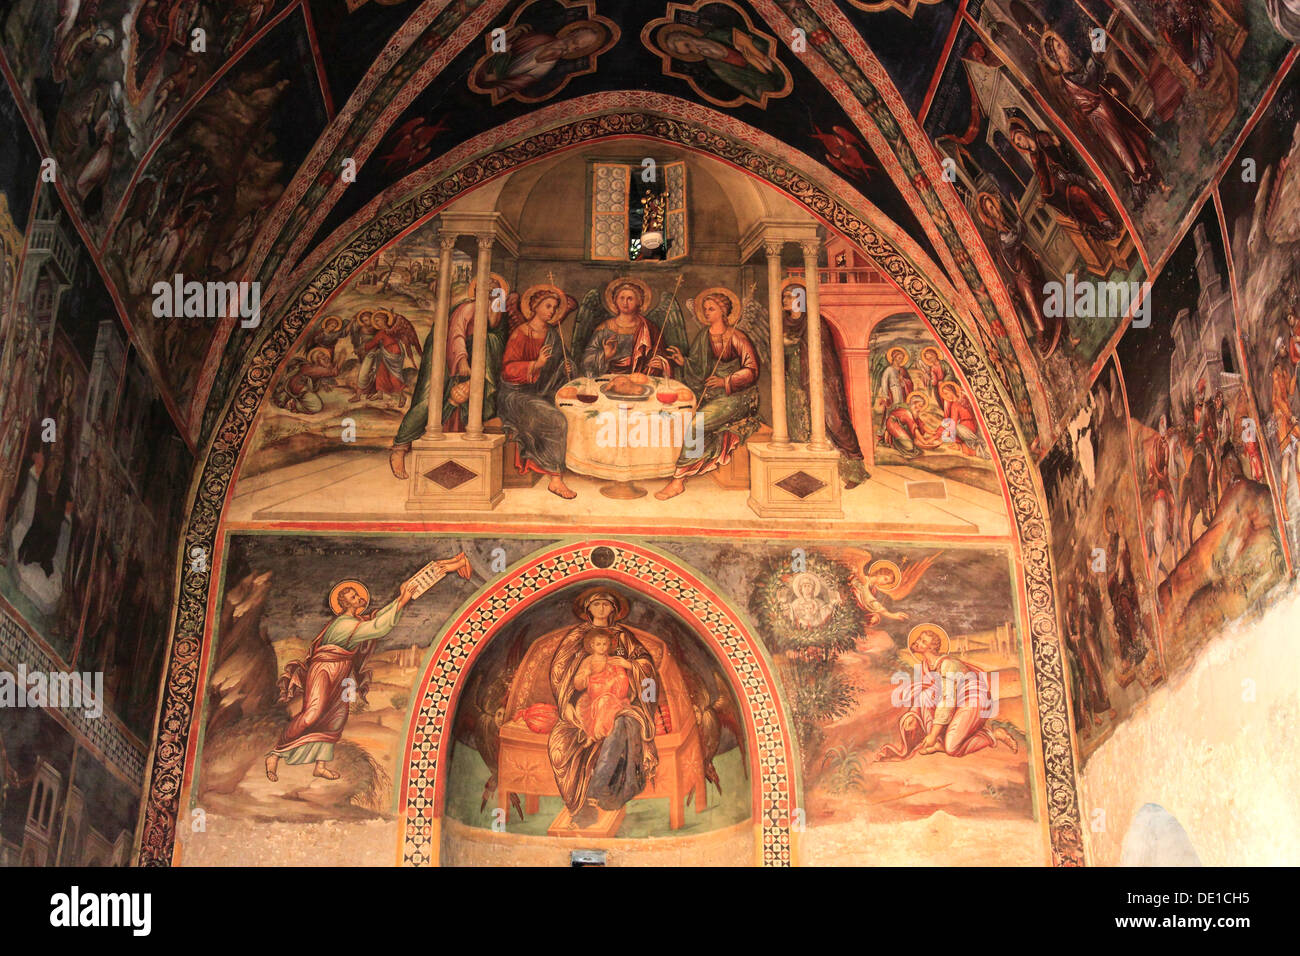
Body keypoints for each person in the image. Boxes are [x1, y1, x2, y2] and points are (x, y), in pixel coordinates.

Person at [264, 561, 466, 782]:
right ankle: (275, 754)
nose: (358, 598)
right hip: (324, 669)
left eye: (356, 596)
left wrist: (401, 599)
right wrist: (402, 600)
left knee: (336, 717)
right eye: (352, 597)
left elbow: (377, 620)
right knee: (312, 712)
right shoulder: (343, 625)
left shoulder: (356, 621)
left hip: (340, 670)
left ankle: (320, 765)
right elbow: (378, 627)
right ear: (343, 603)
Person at [548, 588, 661, 828]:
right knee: (561, 747)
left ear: (613, 609)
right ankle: (582, 801)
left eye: (606, 605)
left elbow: (646, 665)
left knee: (624, 723)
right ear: (587, 609)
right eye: (596, 604)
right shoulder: (577, 637)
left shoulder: (623, 637)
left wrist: (630, 665)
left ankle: (599, 788)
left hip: (623, 702)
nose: (601, 609)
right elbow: (562, 673)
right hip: (583, 704)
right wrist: (565, 703)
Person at [390, 276, 511, 479]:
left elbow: (494, 337)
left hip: (477, 366)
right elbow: (455, 334)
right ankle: (399, 448)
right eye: (488, 290)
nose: (491, 294)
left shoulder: (497, 314)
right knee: (429, 402)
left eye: (495, 291)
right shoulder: (468, 307)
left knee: (462, 403)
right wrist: (462, 360)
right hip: (447, 360)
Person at [655, 287, 760, 499]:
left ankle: (678, 481)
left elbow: (752, 370)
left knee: (696, 424)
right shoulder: (704, 335)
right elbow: (698, 368)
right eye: (704, 309)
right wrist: (683, 362)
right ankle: (686, 467)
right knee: (677, 419)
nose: (706, 313)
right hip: (709, 393)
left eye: (711, 309)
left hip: (737, 396)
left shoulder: (737, 336)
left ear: (723, 311)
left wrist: (725, 381)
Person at [877, 624, 1017, 759]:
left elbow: (947, 700)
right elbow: (926, 694)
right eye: (919, 639)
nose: (918, 642)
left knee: (952, 748)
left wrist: (932, 735)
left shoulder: (948, 664)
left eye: (923, 641)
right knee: (926, 696)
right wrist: (913, 715)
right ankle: (941, 740)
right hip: (957, 703)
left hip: (973, 701)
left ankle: (993, 735)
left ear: (932, 647)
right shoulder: (927, 666)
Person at [781, 281, 868, 487]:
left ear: (800, 299)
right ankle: (809, 473)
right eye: (784, 296)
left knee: (833, 420)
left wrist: (794, 344)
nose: (784, 300)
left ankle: (854, 470)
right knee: (800, 423)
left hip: (820, 377)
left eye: (789, 296)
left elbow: (823, 352)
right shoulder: (782, 322)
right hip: (794, 380)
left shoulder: (815, 321)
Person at [496, 284, 577, 499]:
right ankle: (555, 480)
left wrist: (566, 367)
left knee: (571, 410)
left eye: (555, 307)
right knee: (555, 419)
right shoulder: (520, 333)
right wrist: (536, 364)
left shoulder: (552, 334)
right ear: (534, 306)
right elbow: (507, 370)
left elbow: (564, 363)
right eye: (548, 306)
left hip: (541, 391)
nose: (551, 311)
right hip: (515, 394)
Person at [581, 278, 671, 377]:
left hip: (640, 380)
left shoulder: (649, 328)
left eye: (630, 299)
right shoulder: (604, 328)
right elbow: (586, 362)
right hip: (609, 379)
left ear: (639, 302)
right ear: (615, 300)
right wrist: (604, 355)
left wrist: (661, 363)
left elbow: (662, 355)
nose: (625, 302)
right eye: (622, 298)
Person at [938, 381, 990, 459]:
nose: (946, 397)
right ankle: (970, 446)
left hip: (969, 428)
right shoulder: (964, 398)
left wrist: (943, 437)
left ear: (952, 391)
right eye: (944, 395)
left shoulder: (955, 405)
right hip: (974, 426)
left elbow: (953, 423)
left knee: (955, 427)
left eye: (946, 393)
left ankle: (971, 447)